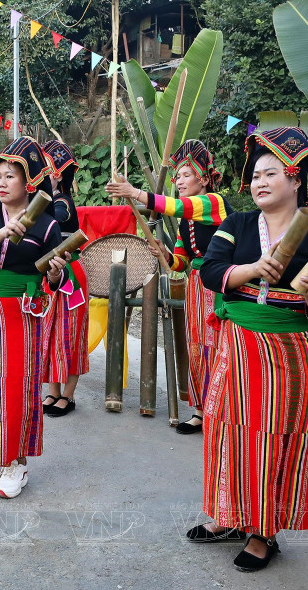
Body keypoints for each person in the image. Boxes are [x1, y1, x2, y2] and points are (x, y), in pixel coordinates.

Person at [190, 127, 308, 572]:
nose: (259, 182)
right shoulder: (236, 225)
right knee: (226, 428)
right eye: (256, 175)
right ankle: (227, 515)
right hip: (238, 345)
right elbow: (211, 271)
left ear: (295, 179)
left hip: (290, 352)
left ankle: (264, 532)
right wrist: (255, 268)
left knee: (275, 437)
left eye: (271, 174)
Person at [0, 137, 69, 499]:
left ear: (29, 181)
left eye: (10, 176)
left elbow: (59, 278)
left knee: (16, 385)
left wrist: (55, 273)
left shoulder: (47, 225)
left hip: (22, 311)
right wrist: (3, 232)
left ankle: (15, 464)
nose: (1, 183)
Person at [107, 139, 232, 434]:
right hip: (196, 286)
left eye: (186, 175)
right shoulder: (186, 220)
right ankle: (200, 411)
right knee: (197, 347)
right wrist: (164, 254)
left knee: (219, 348)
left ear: (204, 179)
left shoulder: (213, 203)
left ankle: (222, 413)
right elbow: (180, 262)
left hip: (221, 287)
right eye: (177, 176)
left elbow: (176, 206)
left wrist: (135, 193)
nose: (179, 181)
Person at [41, 140, 89, 417]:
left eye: (44, 171)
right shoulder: (43, 202)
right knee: (49, 331)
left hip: (70, 274)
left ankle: (68, 396)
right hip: (49, 273)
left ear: (57, 176)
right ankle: (53, 391)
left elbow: (53, 221)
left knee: (69, 334)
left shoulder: (62, 203)